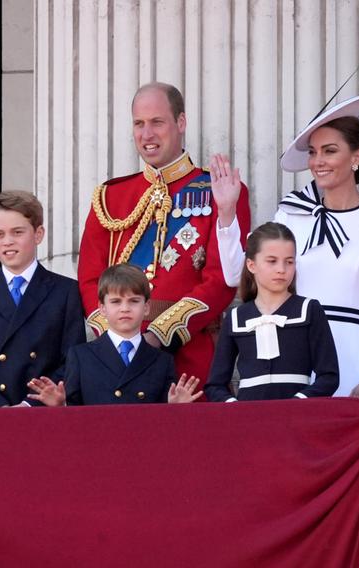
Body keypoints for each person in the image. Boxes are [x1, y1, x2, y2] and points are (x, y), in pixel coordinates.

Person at [211, 92, 359, 399]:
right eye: (314, 152)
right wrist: (226, 214)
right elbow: (236, 275)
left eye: (329, 151)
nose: (318, 162)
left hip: (352, 357)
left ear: (356, 157)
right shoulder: (291, 215)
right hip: (292, 350)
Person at [76, 82, 251, 388]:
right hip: (116, 358)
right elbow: (90, 278)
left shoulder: (217, 191)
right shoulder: (110, 197)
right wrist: (117, 337)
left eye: (157, 122)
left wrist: (158, 335)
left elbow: (222, 279)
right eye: (139, 124)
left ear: (180, 123)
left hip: (188, 360)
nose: (147, 134)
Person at [28, 264, 203, 405]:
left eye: (134, 301)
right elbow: (74, 417)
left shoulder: (162, 361)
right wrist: (60, 405)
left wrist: (176, 409)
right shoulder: (81, 356)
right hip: (96, 445)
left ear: (146, 307)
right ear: (102, 308)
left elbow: (165, 425)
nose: (125, 308)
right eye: (116, 302)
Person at [204, 222, 338, 401]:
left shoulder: (309, 310)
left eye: (289, 262)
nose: (281, 269)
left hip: (297, 418)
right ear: (251, 265)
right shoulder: (236, 318)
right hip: (249, 420)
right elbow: (215, 385)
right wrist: (233, 407)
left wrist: (298, 402)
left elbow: (329, 377)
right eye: (272, 261)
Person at [0, 190, 86, 407]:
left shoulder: (66, 292)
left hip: (40, 415)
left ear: (38, 234)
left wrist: (30, 405)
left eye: (17, 232)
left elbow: (72, 360)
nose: (7, 241)